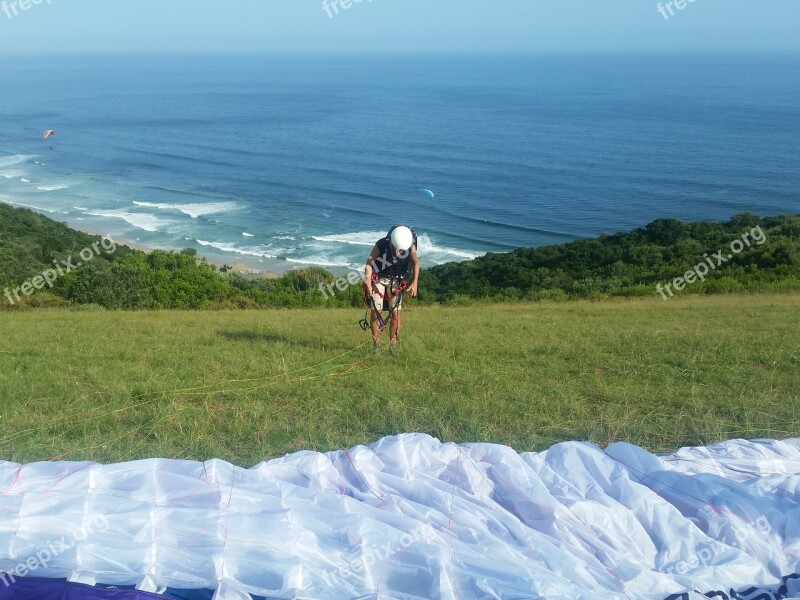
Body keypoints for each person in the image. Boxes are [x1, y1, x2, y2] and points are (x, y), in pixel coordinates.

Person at [364, 225, 419, 356]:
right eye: (397, 249)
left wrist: (415, 282)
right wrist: (367, 280)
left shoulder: (410, 246)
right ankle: (376, 345)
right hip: (379, 278)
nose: (399, 252)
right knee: (376, 312)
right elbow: (369, 262)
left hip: (397, 281)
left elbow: (416, 262)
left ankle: (393, 346)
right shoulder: (382, 244)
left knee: (395, 315)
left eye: (402, 250)